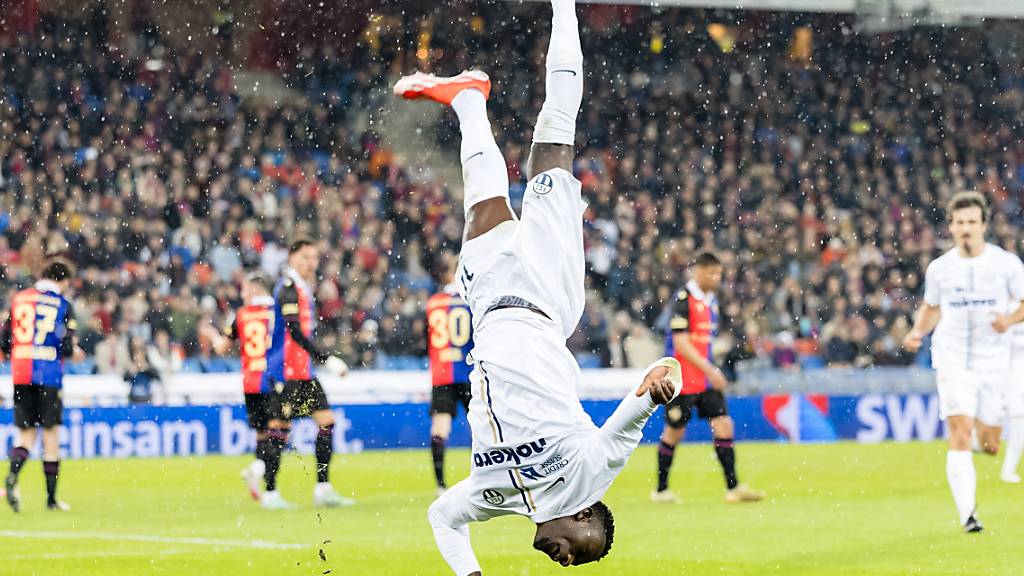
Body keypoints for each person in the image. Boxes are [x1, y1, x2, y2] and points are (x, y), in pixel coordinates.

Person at [397, 1, 682, 572]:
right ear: (584, 518)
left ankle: (468, 98)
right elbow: (649, 393)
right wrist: (662, 382)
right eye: (580, 554)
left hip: (488, 306)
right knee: (552, 144)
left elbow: (441, 518)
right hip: (547, 298)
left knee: (483, 202)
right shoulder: (590, 471)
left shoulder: (491, 500)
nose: (564, 562)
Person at [903, 191, 1024, 532]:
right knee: (959, 430)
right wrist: (917, 332)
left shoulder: (1006, 264)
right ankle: (968, 515)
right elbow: (932, 307)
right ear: (952, 227)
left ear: (984, 225)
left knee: (990, 445)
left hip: (994, 362)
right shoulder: (940, 268)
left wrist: (1009, 321)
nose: (966, 228)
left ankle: (979, 434)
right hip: (952, 357)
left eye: (972, 222)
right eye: (960, 223)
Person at [652, 252, 765, 504]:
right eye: (712, 273)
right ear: (699, 271)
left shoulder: (711, 300)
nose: (716, 278)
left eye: (719, 274)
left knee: (724, 424)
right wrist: (710, 368)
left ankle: (733, 488)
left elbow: (703, 342)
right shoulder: (683, 300)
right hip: (680, 380)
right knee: (674, 433)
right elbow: (680, 343)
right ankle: (661, 491)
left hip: (704, 379)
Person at [261, 238, 352, 509]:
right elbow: (293, 330)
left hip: (303, 371)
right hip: (285, 372)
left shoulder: (300, 288)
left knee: (326, 422)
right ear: (291, 257)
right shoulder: (288, 289)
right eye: (305, 258)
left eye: (314, 258)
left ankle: (323, 488)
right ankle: (270, 493)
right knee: (279, 430)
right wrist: (325, 358)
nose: (310, 263)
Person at [0, 259, 85, 512]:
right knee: (50, 436)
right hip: (48, 374)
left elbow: (5, 342)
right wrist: (74, 351)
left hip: (22, 372)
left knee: (25, 434)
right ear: (62, 281)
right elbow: (66, 345)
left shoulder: (19, 299)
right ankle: (51, 499)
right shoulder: (62, 304)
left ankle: (13, 475)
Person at [205, 273, 279, 501]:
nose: (242, 294)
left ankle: (265, 485)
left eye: (245, 290)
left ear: (256, 290)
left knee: (262, 434)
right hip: (273, 380)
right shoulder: (277, 312)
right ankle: (263, 477)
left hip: (250, 383)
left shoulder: (242, 315)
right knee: (278, 434)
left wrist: (211, 334)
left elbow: (221, 348)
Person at [426, 258, 474, 496]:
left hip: (442, 373)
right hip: (468, 371)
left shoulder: (433, 303)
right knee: (479, 427)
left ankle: (440, 485)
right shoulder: (470, 301)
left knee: (440, 428)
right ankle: (480, 478)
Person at [1002, 322, 1024, 483]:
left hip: (1015, 379)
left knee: (1018, 425)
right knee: (1017, 423)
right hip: (1009, 379)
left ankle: (1008, 469)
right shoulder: (1005, 310)